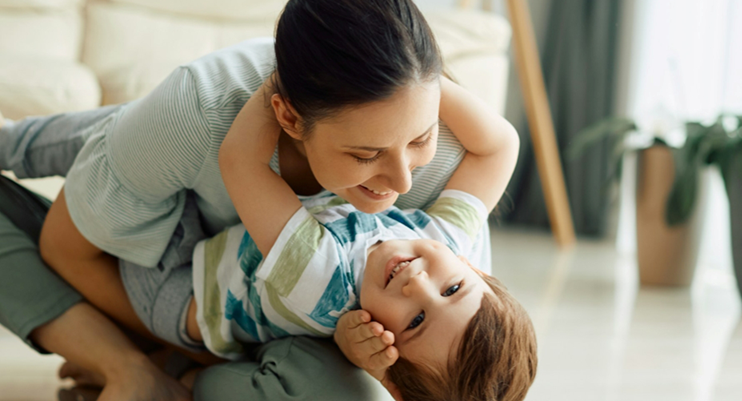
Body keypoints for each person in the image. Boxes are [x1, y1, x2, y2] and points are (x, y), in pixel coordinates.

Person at [0, 0, 506, 399]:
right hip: (178, 279)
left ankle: (175, 372)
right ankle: (151, 366)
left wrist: (356, 351)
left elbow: (431, 361)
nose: (403, 182)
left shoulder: (340, 276)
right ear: (286, 115)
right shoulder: (201, 106)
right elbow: (71, 246)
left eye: (420, 138)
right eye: (364, 154)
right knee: (113, 140)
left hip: (207, 308)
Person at [108, 72, 537, 400]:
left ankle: (174, 368)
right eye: (454, 288)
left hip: (177, 291)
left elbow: (241, 163)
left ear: (383, 359)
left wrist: (284, 77)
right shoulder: (446, 244)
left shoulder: (324, 280)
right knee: (122, 128)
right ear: (474, 267)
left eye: (416, 320)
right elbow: (500, 146)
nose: (418, 283)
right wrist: (415, 82)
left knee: (121, 150)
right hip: (225, 257)